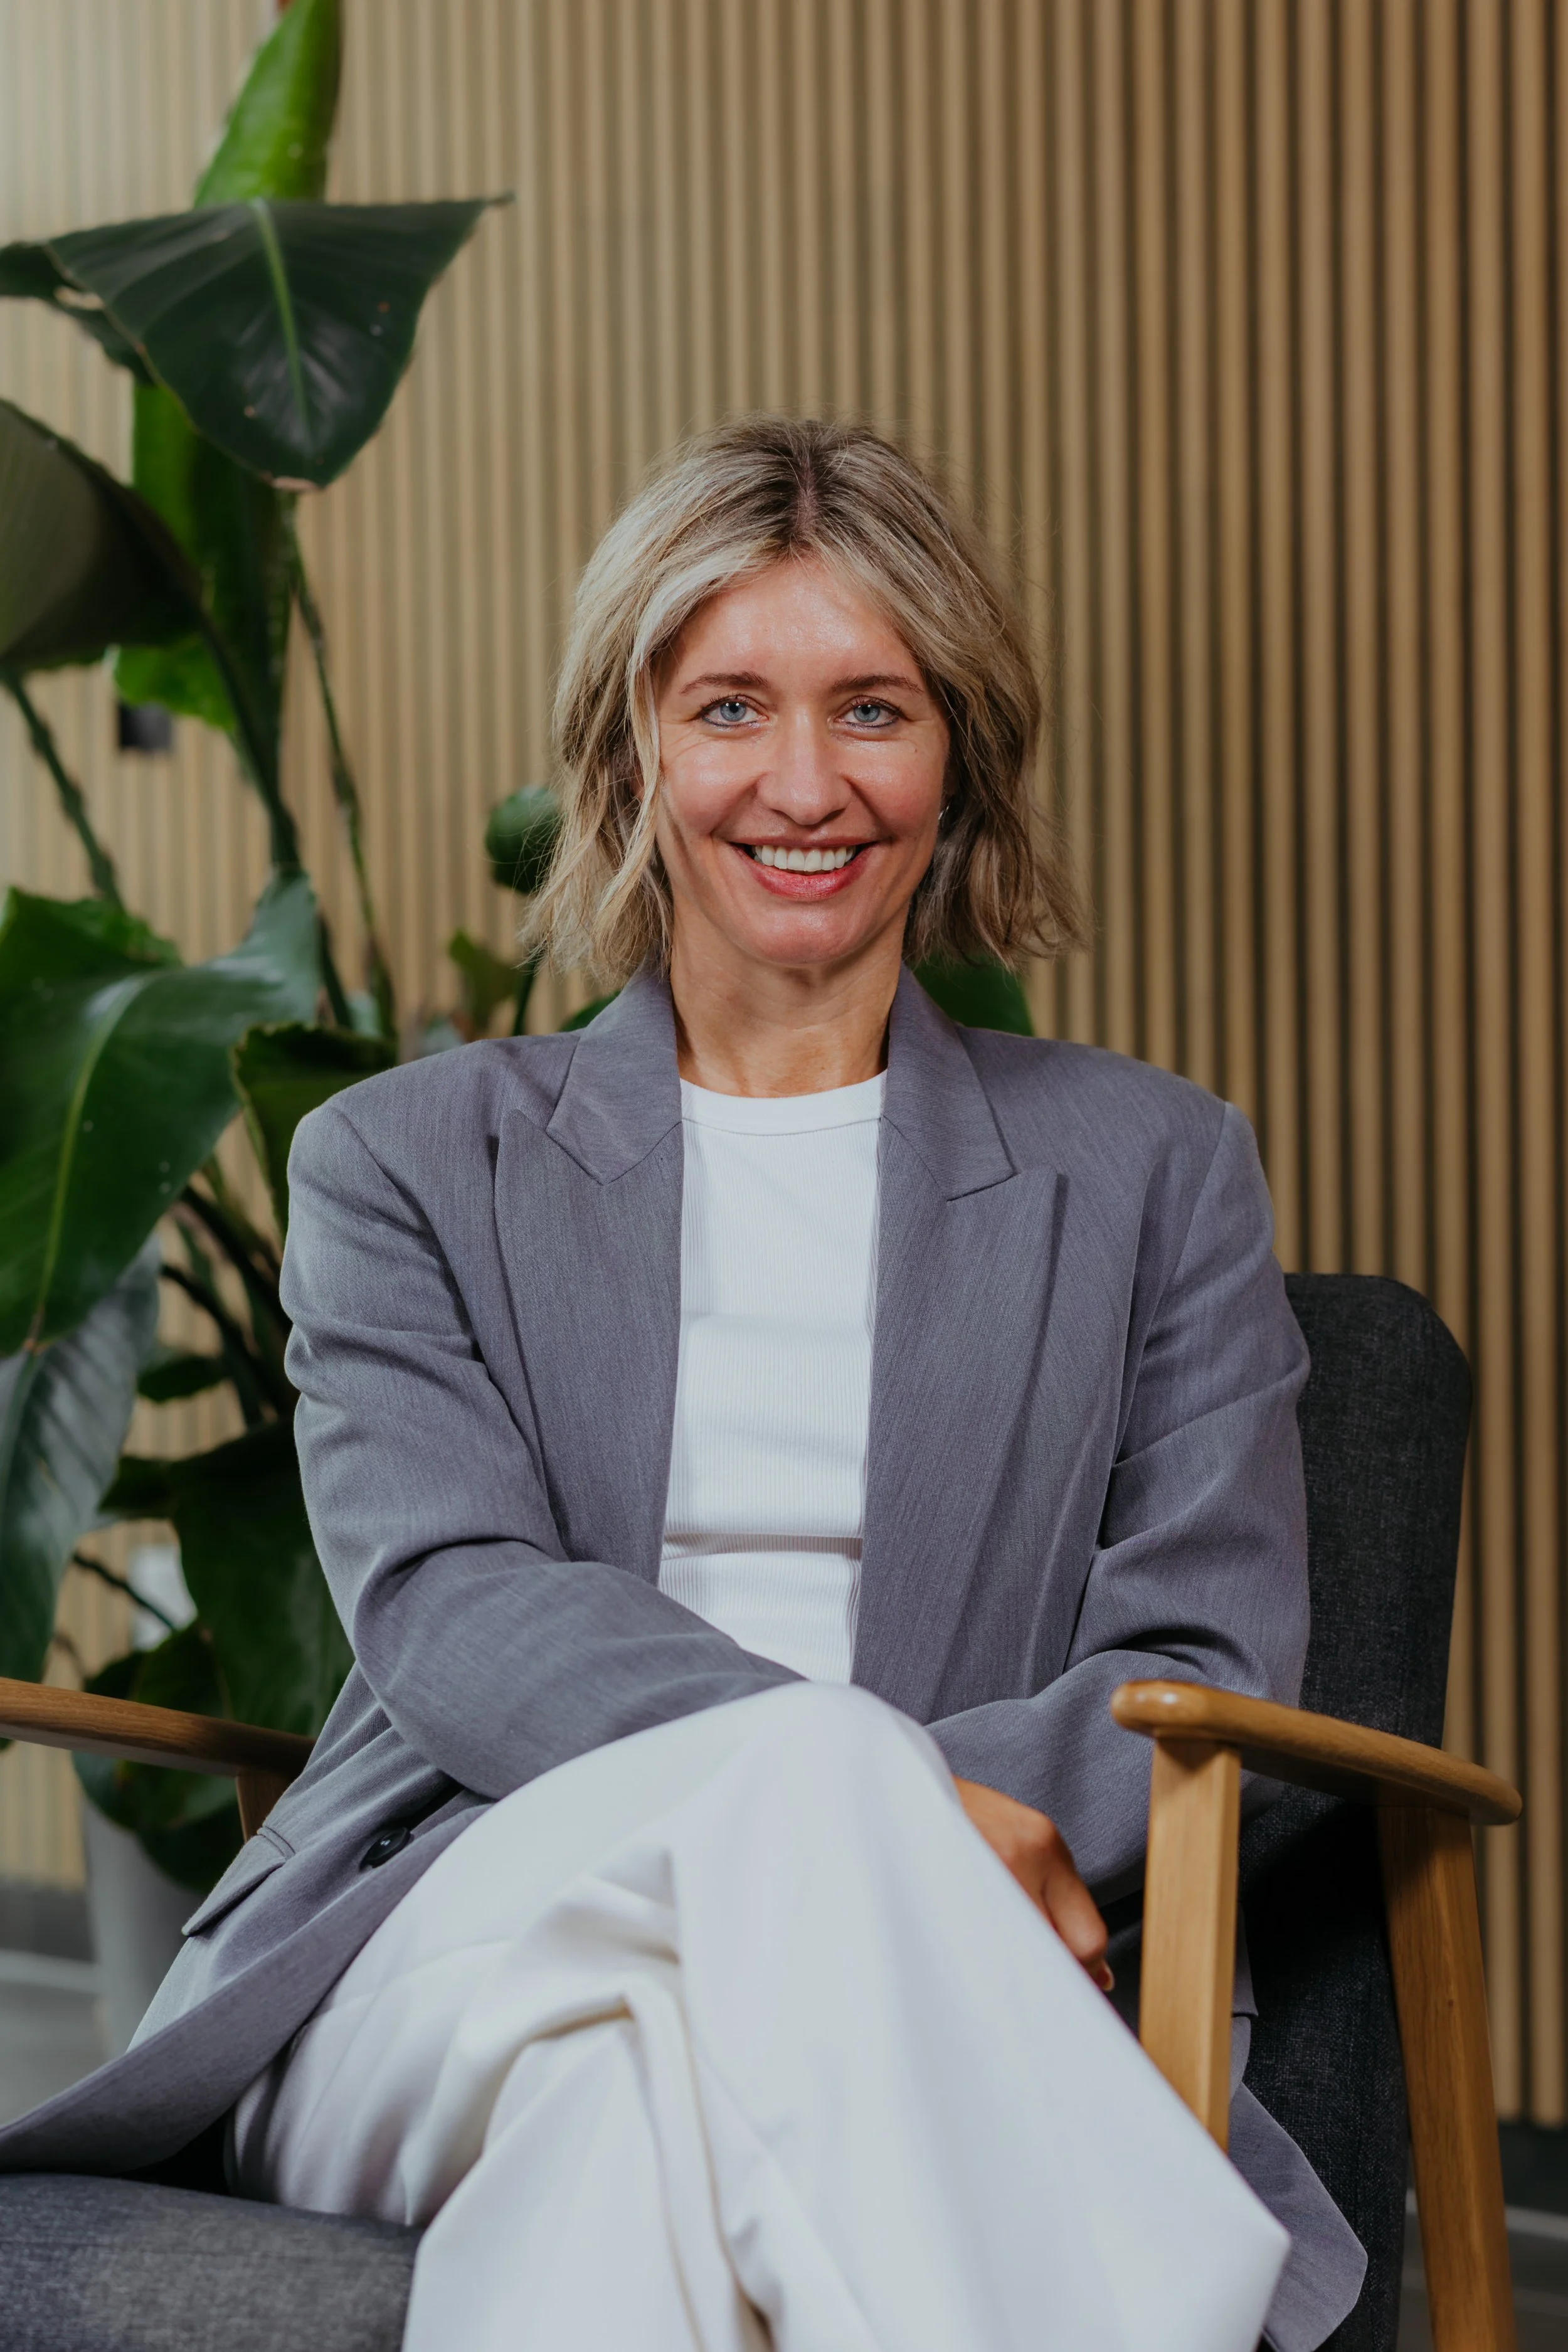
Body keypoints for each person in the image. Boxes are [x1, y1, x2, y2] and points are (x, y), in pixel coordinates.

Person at [0, 417, 1364, 2351]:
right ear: (629, 746)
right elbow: (453, 1607)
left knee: (627, 2119)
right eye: (730, 704)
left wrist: (874, 1837)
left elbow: (1205, 1660)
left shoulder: (1151, 1168)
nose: (802, 782)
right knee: (809, 1768)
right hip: (452, 1928)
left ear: (959, 746)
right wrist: (870, 1793)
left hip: (926, 1972)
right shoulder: (404, 1161)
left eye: (872, 707)